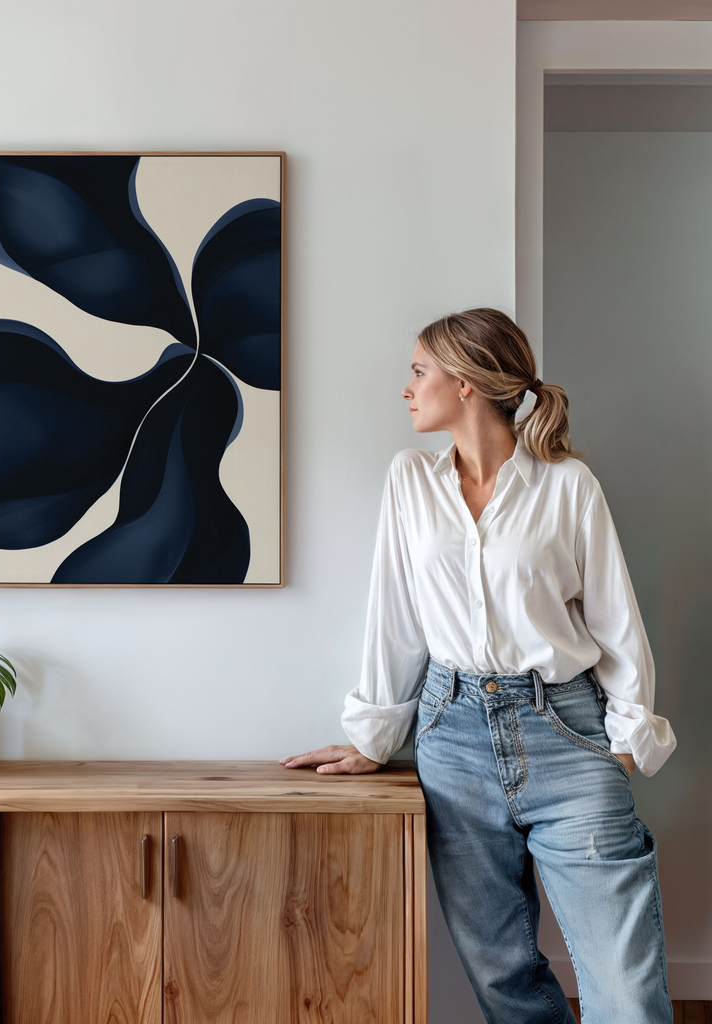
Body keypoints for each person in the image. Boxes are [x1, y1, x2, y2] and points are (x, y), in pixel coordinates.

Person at [281, 308, 676, 1024]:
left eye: (418, 371)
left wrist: (624, 740)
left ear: (465, 384)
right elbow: (393, 616)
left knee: (625, 987)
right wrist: (375, 737)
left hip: (567, 729)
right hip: (451, 735)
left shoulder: (568, 486)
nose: (407, 388)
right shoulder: (410, 481)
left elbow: (617, 622)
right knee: (503, 979)